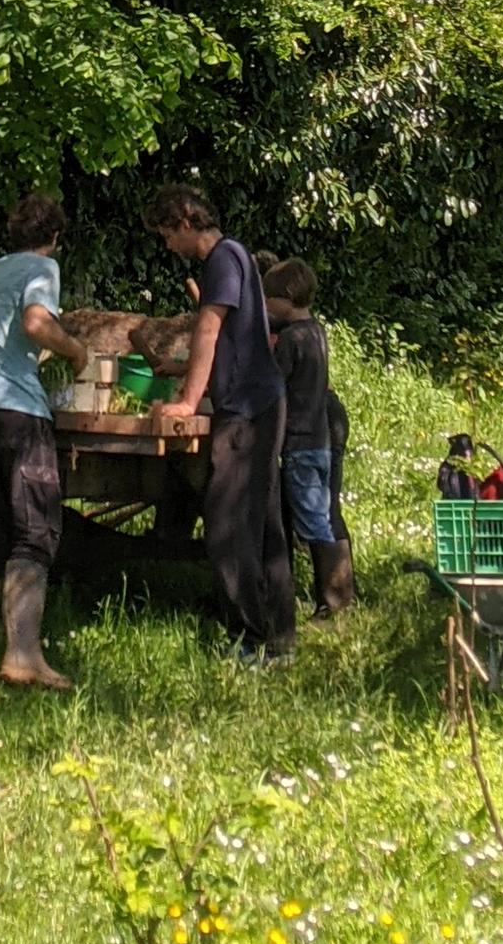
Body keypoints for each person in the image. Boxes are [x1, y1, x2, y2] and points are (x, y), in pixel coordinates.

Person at [151, 183, 296, 661]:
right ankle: (279, 636)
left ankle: (251, 639)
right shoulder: (236, 257)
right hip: (263, 400)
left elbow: (210, 329)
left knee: (228, 523)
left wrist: (188, 402)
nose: (168, 245)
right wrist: (181, 372)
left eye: (168, 234)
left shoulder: (221, 258)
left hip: (247, 409)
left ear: (187, 223)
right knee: (265, 522)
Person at [0, 193, 89, 690]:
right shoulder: (42, 268)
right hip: (18, 409)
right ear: (53, 238)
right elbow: (36, 323)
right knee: (33, 530)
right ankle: (22, 655)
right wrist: (75, 350)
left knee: (1, 527)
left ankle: (15, 647)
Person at [262, 258, 353, 620]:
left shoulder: (289, 340)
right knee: (321, 514)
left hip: (299, 442)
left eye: (270, 300)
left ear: (285, 297)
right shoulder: (316, 331)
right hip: (319, 439)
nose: (267, 306)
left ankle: (334, 601)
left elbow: (273, 386)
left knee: (314, 521)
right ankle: (336, 597)